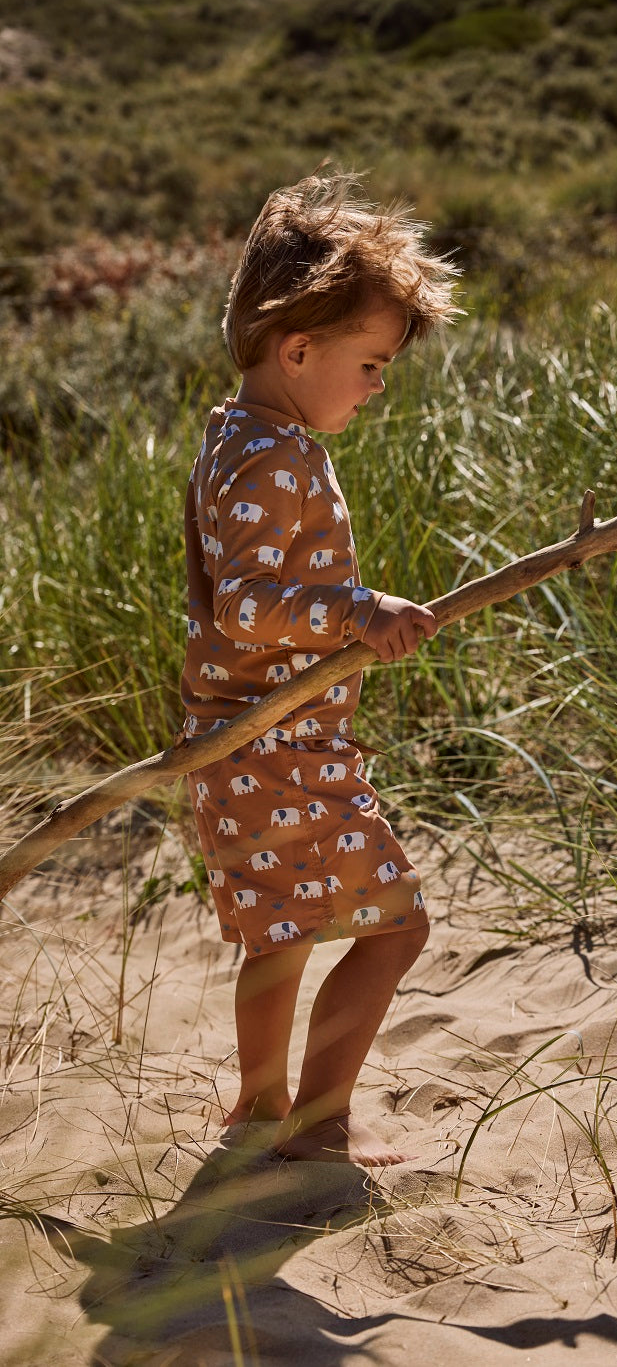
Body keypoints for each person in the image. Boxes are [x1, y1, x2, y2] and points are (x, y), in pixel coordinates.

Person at [180, 171, 459, 1165]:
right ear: (297, 350)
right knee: (396, 926)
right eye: (371, 364)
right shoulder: (268, 456)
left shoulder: (248, 435)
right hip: (273, 744)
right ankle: (319, 1119)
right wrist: (355, 611)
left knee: (282, 931)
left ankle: (263, 1109)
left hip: (256, 741)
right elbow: (245, 603)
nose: (378, 385)